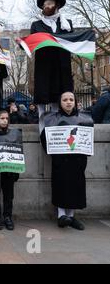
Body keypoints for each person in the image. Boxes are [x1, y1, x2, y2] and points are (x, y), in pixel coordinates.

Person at [41, 92, 91, 230]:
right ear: (60, 102)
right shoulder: (52, 119)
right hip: (61, 160)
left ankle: (71, 217)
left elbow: (87, 139)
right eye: (65, 100)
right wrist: (54, 153)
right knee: (61, 187)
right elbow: (45, 138)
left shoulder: (84, 119)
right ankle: (61, 216)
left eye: (71, 99)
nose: (68, 102)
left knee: (75, 188)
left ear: (75, 102)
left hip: (77, 161)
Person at [31, 0, 74, 116]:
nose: (46, 7)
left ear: (57, 5)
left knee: (58, 99)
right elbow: (32, 43)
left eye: (49, 4)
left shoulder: (67, 24)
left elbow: (73, 42)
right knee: (42, 100)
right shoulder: (36, 25)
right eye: (44, 5)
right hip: (43, 67)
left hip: (61, 66)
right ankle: (42, 129)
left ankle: (56, 127)